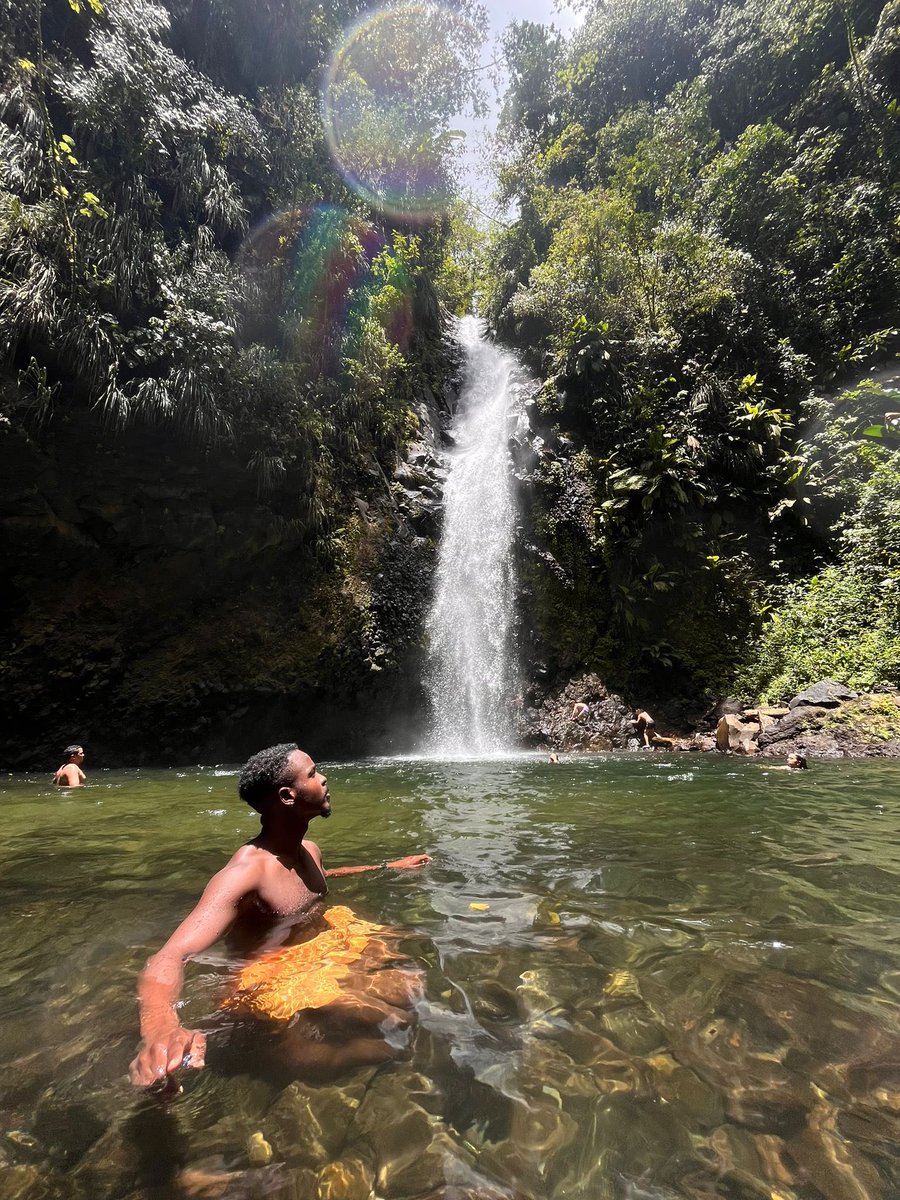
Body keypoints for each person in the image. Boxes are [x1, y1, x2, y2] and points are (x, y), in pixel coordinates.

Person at [129, 742, 431, 1089]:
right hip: (268, 978)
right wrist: (161, 1028)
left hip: (316, 954)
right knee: (334, 1052)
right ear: (288, 796)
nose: (325, 778)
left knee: (408, 989)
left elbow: (318, 878)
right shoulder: (244, 875)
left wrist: (387, 866)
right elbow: (171, 954)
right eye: (314, 774)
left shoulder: (309, 851)